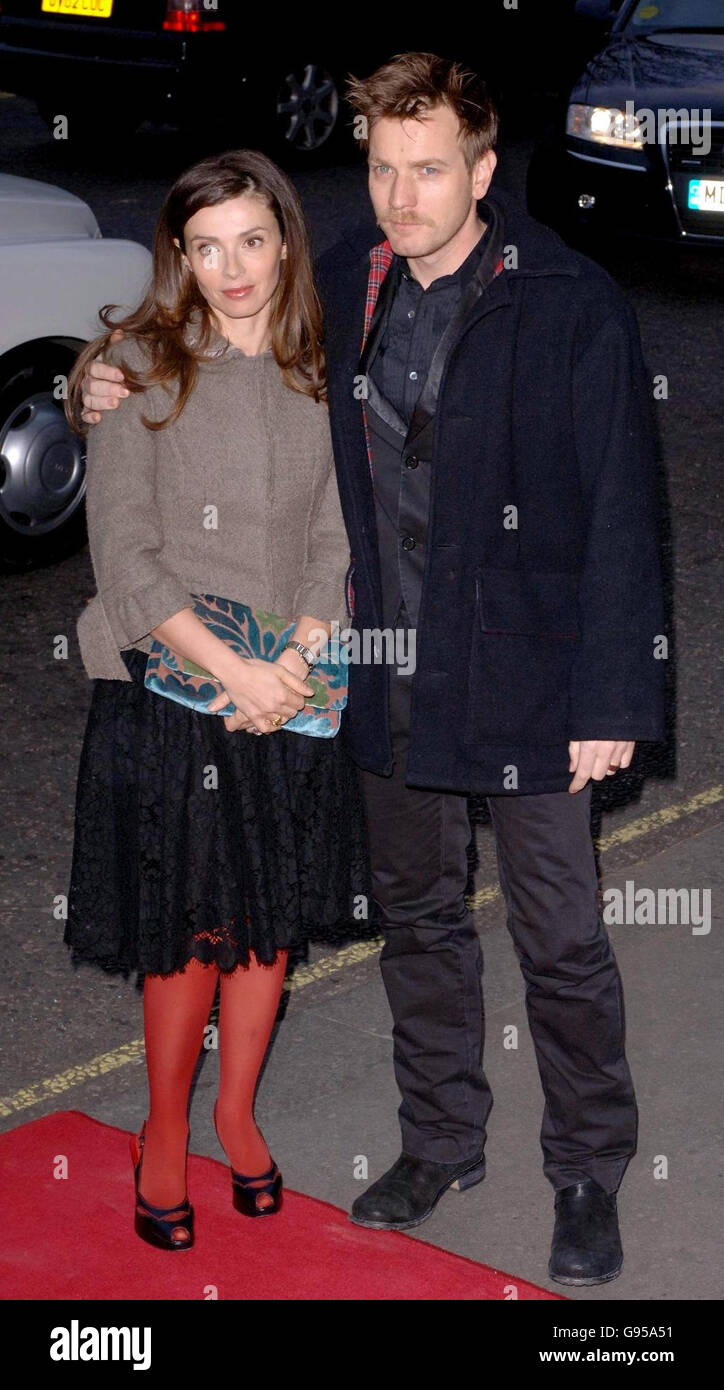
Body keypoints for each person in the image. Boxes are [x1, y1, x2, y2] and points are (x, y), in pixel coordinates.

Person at [79, 53, 667, 1286]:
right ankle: (442, 1138)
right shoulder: (344, 277)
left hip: (535, 679)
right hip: (385, 670)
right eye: (382, 169)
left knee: (559, 939)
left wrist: (615, 696)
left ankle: (584, 1169)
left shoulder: (568, 298)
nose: (400, 195)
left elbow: (623, 503)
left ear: (484, 170)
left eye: (429, 169)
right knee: (417, 925)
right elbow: (212, 328)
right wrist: (104, 372)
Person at [64, 148, 369, 1251]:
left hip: (290, 681)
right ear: (180, 258)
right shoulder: (141, 365)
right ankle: (160, 1128)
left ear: (284, 241)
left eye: (252, 240)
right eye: (207, 246)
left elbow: (338, 531)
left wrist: (296, 657)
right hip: (173, 690)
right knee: (187, 931)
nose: (233, 267)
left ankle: (234, 1113)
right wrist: (236, 675)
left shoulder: (322, 366)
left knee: (265, 931)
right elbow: (128, 559)